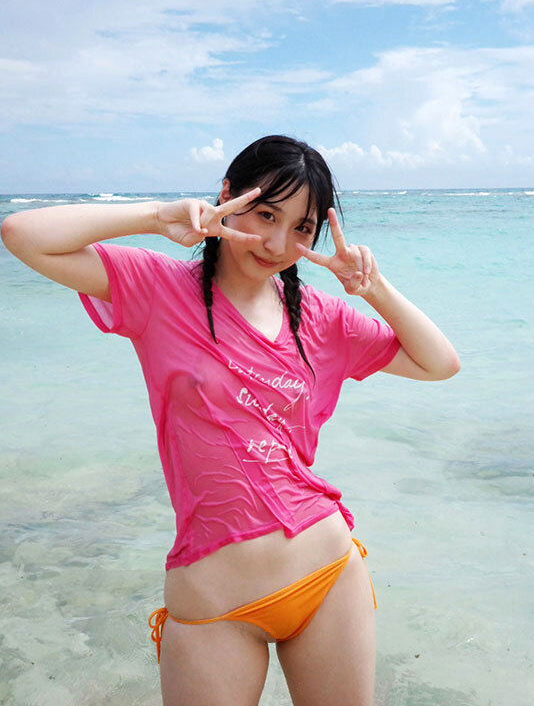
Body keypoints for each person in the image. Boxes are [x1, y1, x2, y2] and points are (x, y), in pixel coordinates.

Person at [1, 134, 460, 706]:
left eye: (301, 228)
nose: (277, 243)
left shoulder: (321, 318)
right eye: (266, 214)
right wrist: (157, 216)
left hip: (326, 577)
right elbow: (22, 235)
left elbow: (440, 363)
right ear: (227, 196)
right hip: (213, 605)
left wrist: (373, 289)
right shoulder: (158, 289)